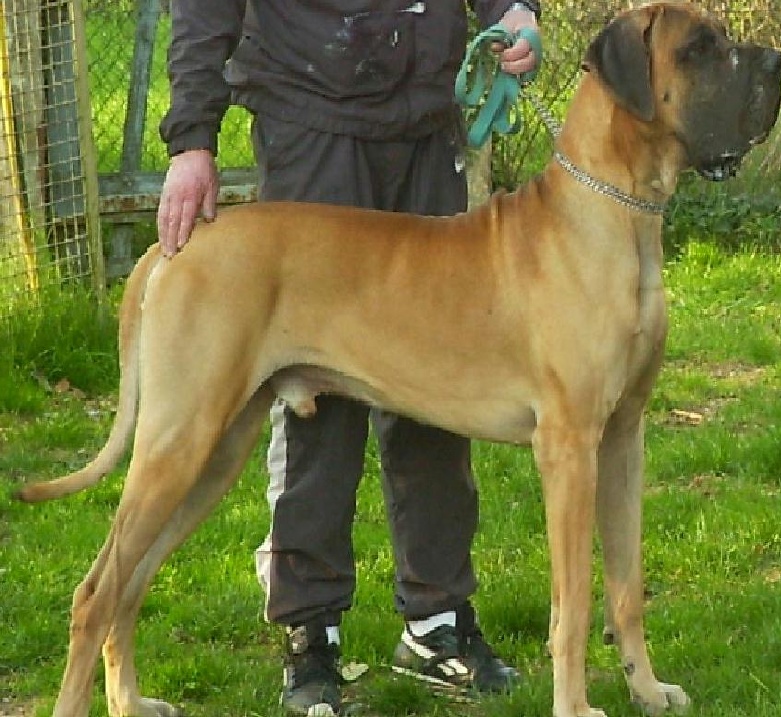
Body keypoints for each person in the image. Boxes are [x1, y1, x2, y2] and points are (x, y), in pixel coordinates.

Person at [157, 2, 541, 715]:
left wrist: (512, 9)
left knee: (441, 379)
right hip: (315, 113)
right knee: (311, 397)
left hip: (424, 121)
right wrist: (192, 139)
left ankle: (437, 622)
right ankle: (311, 628)